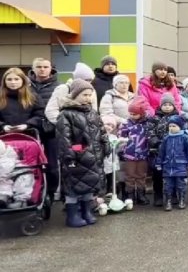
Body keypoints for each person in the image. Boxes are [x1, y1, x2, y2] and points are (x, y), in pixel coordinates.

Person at [56, 80, 108, 228]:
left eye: (90, 95)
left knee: (89, 185)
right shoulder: (66, 114)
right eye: (84, 94)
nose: (88, 98)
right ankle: (72, 215)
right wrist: (74, 152)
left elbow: (101, 130)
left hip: (93, 157)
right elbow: (64, 138)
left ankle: (87, 212)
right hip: (76, 158)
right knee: (73, 187)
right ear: (75, 95)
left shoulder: (92, 113)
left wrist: (105, 144)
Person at [29, 58, 60, 197]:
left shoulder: (59, 87)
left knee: (52, 165)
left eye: (45, 66)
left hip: (52, 131)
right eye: (39, 66)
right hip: (31, 130)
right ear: (33, 69)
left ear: (51, 69)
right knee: (31, 164)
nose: (42, 69)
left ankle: (51, 193)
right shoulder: (26, 86)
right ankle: (34, 191)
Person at [155, 115, 188, 211]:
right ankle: (168, 201)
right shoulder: (166, 138)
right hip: (168, 165)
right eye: (170, 126)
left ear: (180, 127)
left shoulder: (184, 137)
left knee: (181, 184)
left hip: (180, 165)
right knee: (168, 185)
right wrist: (159, 163)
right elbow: (162, 152)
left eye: (174, 126)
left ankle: (181, 200)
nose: (172, 128)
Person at [119, 97, 152, 205]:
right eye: (130, 113)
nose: (132, 116)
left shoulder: (147, 124)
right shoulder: (126, 123)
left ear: (141, 113)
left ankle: (141, 194)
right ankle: (130, 194)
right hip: (129, 154)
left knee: (141, 175)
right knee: (130, 175)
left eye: (135, 114)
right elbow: (121, 136)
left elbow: (150, 136)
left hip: (143, 154)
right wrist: (123, 147)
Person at [148, 93, 179, 207]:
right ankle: (158, 195)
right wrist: (156, 142)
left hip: (174, 151)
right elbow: (150, 132)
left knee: (174, 173)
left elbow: (182, 131)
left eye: (169, 104)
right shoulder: (154, 118)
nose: (167, 107)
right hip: (158, 151)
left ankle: (174, 194)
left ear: (173, 105)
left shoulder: (177, 118)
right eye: (164, 104)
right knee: (158, 174)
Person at [0, 68, 45, 135]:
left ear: (23, 81)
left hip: (29, 135)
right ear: (4, 81)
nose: (13, 82)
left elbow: (40, 115)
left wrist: (27, 125)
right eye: (9, 79)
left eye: (16, 79)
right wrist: (3, 126)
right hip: (3, 136)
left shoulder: (33, 97)